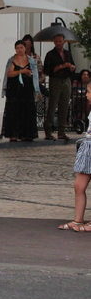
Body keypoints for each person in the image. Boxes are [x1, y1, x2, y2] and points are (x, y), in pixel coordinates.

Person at [59, 81, 91, 231]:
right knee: (79, 186)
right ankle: (78, 220)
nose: (86, 95)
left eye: (88, 92)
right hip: (88, 148)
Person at [1, 40, 40, 142]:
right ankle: (13, 134)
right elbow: (9, 74)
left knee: (26, 111)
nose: (19, 50)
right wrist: (22, 71)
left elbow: (34, 75)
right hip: (14, 88)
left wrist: (36, 89)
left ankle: (26, 134)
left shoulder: (31, 60)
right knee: (13, 110)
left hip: (27, 88)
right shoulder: (12, 60)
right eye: (17, 48)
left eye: (21, 48)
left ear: (25, 48)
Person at [43, 33, 75, 141]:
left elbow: (73, 66)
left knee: (64, 106)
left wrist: (71, 67)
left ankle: (61, 132)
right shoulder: (50, 54)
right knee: (52, 106)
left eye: (60, 41)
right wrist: (61, 66)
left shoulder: (67, 53)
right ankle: (48, 131)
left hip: (66, 80)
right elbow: (47, 70)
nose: (58, 43)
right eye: (56, 41)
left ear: (64, 41)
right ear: (54, 42)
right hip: (55, 80)